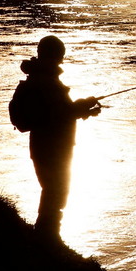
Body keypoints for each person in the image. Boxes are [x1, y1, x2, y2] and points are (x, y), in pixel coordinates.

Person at [18, 35, 100, 237]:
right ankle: (47, 235)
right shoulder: (47, 82)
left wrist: (83, 109)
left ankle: (47, 233)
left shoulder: (40, 77)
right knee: (56, 191)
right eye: (60, 55)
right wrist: (82, 107)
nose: (62, 59)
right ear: (56, 56)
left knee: (53, 190)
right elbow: (59, 113)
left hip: (43, 146)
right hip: (53, 148)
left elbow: (57, 113)